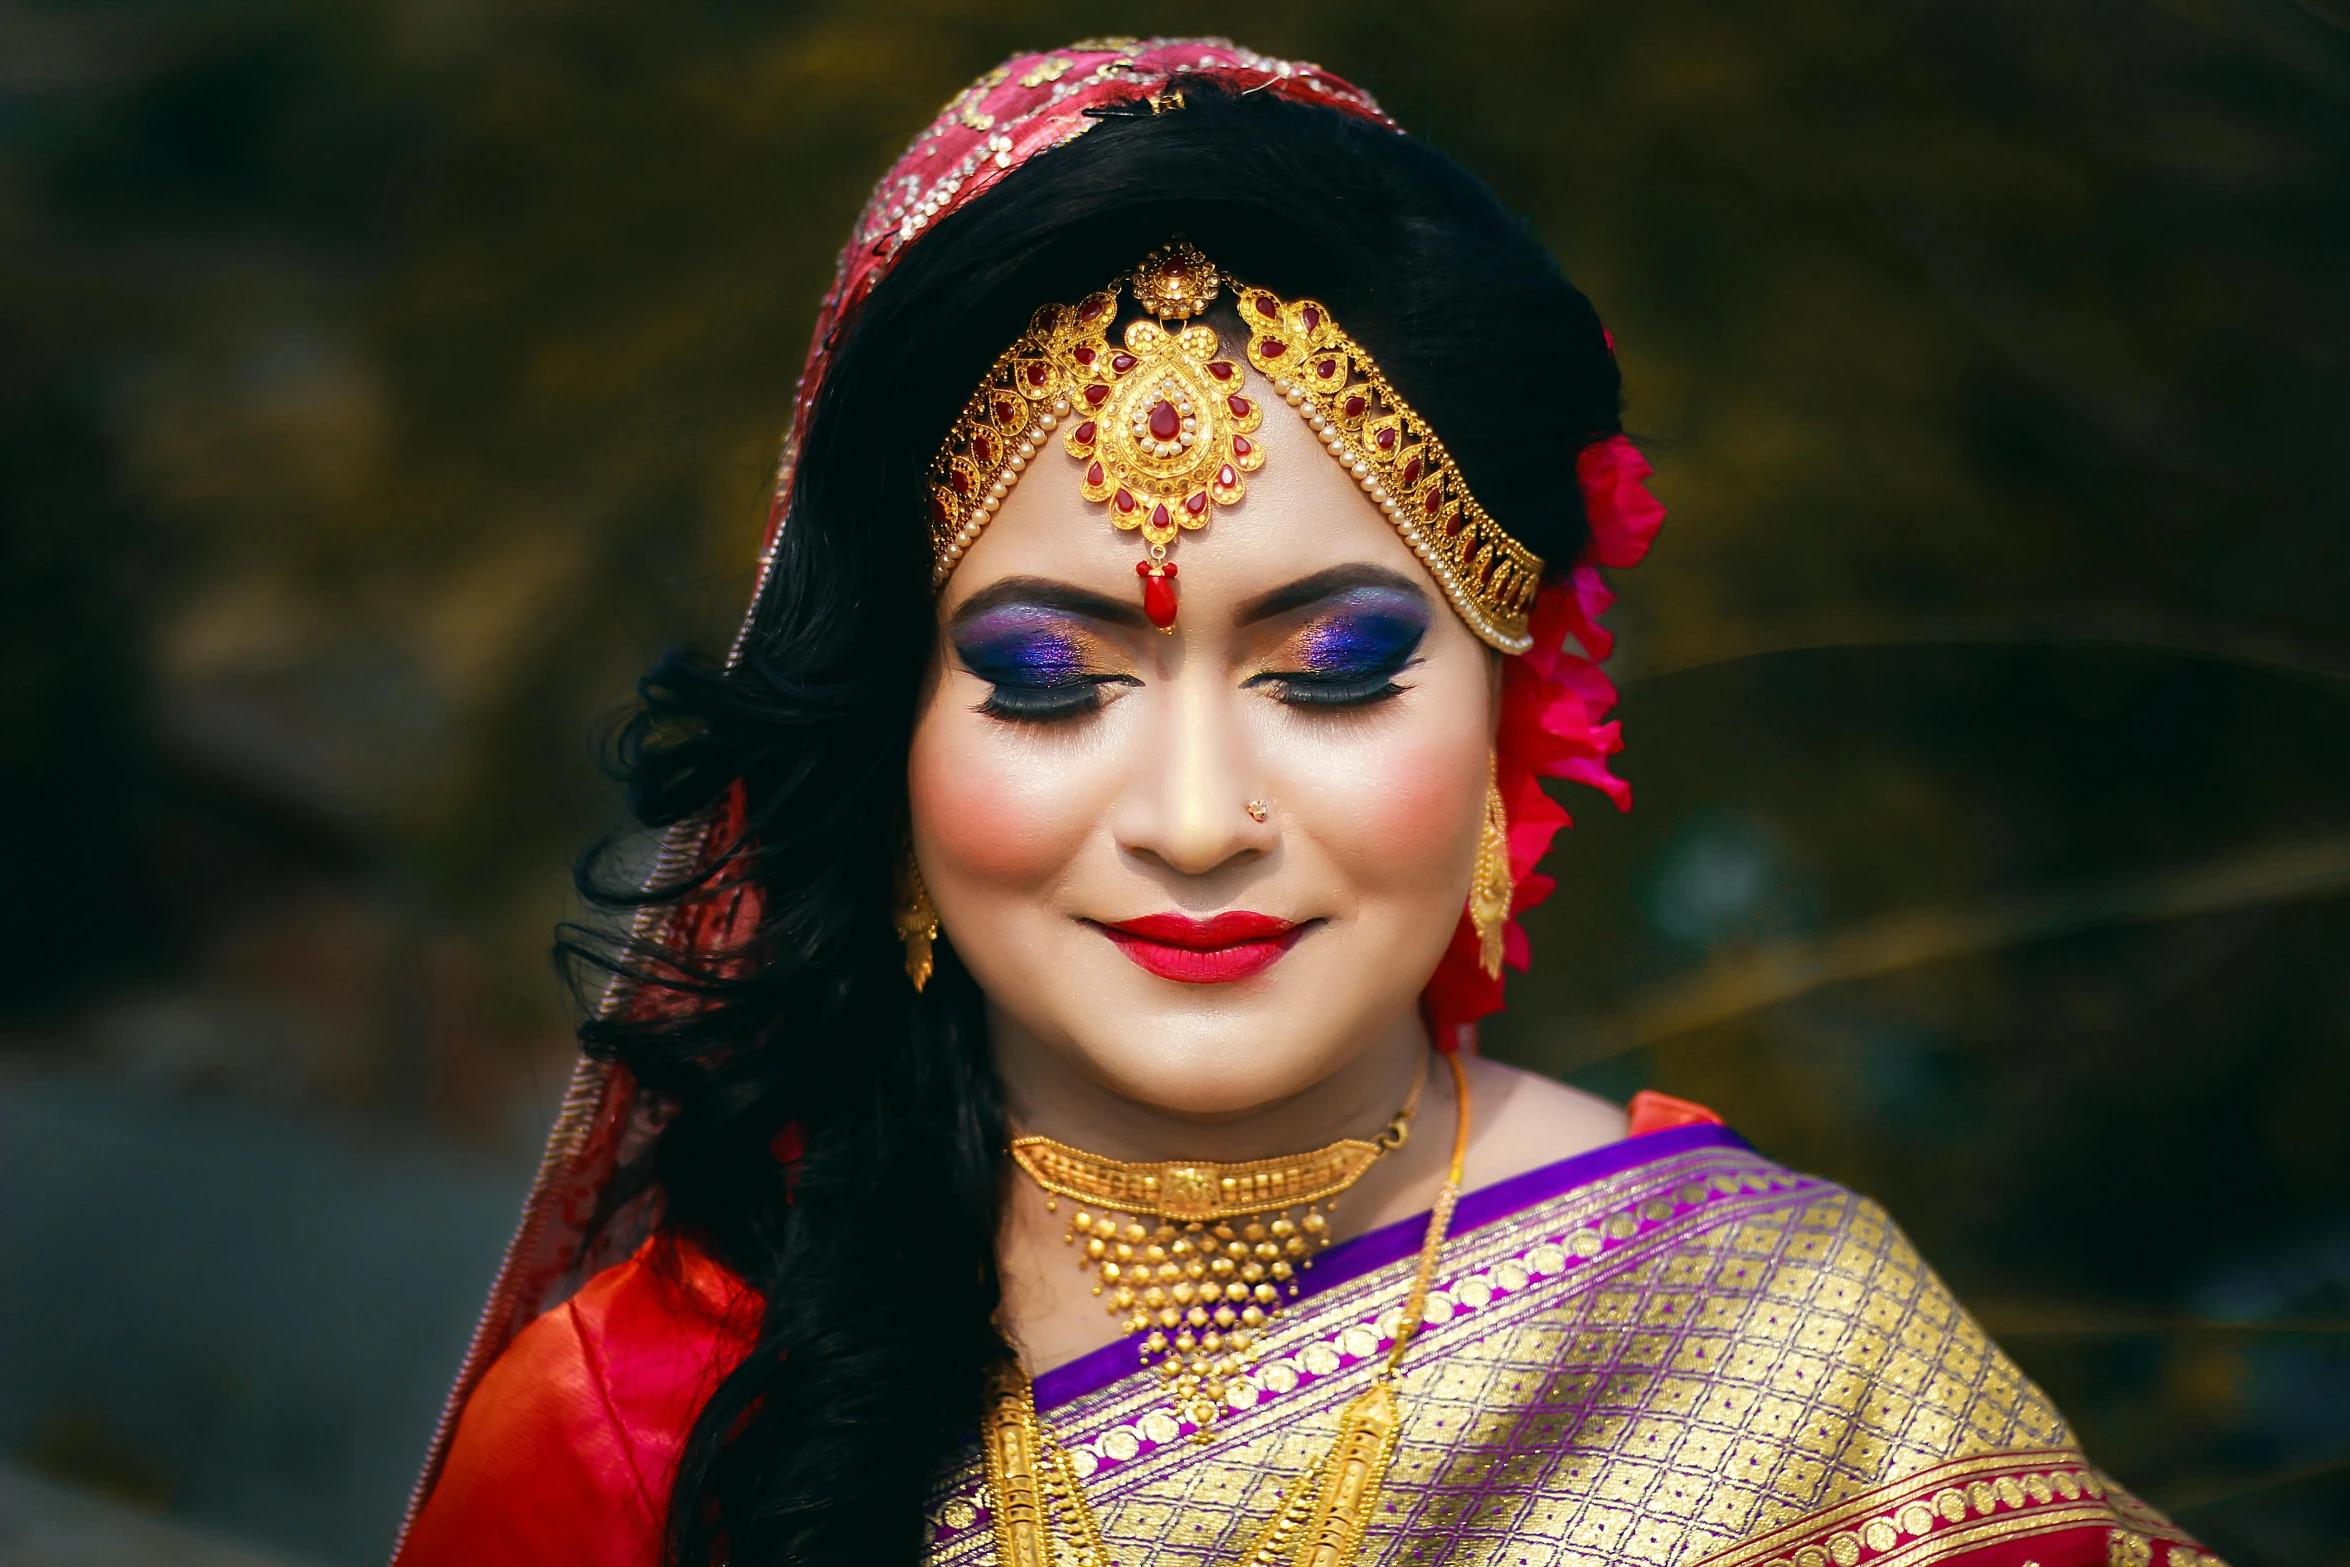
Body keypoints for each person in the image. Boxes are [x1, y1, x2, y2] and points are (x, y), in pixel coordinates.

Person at [391, 38, 2217, 1567]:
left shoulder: (1783, 1351)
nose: (1194, 817)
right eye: (1047, 677)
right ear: (889, 746)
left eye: (1333, 667)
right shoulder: (649, 1416)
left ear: (1520, 697)